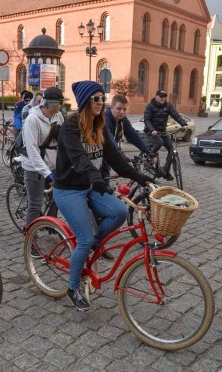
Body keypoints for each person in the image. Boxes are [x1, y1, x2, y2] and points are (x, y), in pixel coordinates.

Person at [54, 81, 153, 311]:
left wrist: (142, 178)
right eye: (96, 99)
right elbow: (79, 159)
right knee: (84, 238)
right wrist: (95, 177)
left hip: (90, 185)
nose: (100, 103)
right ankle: (72, 287)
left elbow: (115, 157)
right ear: (86, 101)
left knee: (119, 212)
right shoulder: (71, 126)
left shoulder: (99, 126)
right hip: (69, 189)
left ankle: (92, 248)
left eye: (102, 99)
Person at [22, 87, 65, 231]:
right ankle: (31, 240)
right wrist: (47, 174)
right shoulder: (32, 120)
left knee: (57, 198)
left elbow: (63, 140)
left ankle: (51, 225)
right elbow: (32, 151)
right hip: (34, 167)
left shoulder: (58, 116)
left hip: (53, 163)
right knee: (35, 205)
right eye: (61, 102)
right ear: (52, 103)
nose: (62, 105)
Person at [102, 94, 154, 179]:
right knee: (101, 181)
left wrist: (148, 151)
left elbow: (133, 135)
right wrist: (121, 156)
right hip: (99, 155)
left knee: (105, 180)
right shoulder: (104, 119)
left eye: (124, 109)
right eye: (119, 109)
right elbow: (110, 140)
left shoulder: (122, 120)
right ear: (111, 107)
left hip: (109, 154)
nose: (122, 112)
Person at [143, 89, 187, 181]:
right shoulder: (150, 106)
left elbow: (176, 115)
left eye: (164, 96)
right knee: (159, 142)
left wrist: (184, 124)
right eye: (161, 96)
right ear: (156, 97)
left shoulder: (168, 106)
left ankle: (166, 171)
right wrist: (152, 130)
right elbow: (147, 120)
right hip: (152, 131)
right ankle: (149, 156)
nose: (163, 98)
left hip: (162, 131)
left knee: (171, 149)